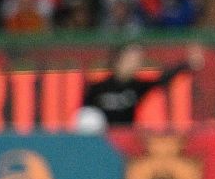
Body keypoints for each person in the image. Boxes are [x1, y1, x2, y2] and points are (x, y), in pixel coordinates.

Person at [73, 42, 205, 131]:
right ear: (119, 59)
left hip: (125, 143)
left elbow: (163, 79)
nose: (135, 62)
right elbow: (84, 115)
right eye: (131, 58)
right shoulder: (98, 87)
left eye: (138, 59)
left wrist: (188, 64)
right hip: (101, 141)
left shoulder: (137, 87)